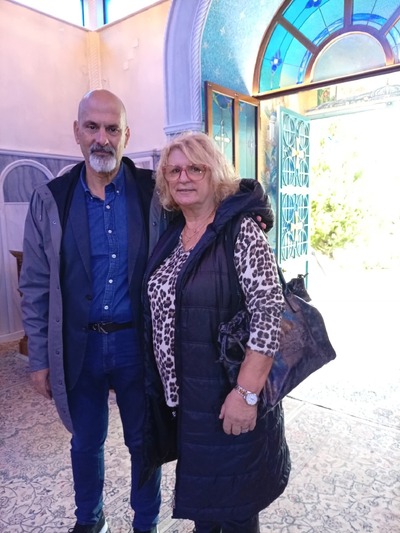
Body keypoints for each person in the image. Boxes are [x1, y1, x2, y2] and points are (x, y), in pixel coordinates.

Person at [19, 89, 165, 533]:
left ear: (126, 135)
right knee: (85, 442)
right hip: (78, 345)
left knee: (143, 441)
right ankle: (90, 519)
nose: (102, 138)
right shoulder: (51, 199)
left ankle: (146, 523)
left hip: (136, 343)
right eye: (92, 127)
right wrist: (40, 358)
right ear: (77, 132)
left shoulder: (154, 192)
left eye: (112, 128)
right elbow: (35, 285)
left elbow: (202, 212)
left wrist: (248, 208)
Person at [141, 132, 291, 533]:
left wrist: (246, 394)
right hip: (188, 403)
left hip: (228, 396)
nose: (183, 177)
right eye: (174, 170)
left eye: (196, 168)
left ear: (216, 174)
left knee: (236, 508)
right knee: (206, 506)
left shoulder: (241, 231)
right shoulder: (174, 232)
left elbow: (268, 313)